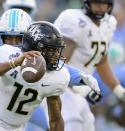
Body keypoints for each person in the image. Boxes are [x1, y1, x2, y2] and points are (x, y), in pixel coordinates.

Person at [0, 21, 100, 131]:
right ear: (35, 49)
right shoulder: (8, 53)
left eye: (57, 50)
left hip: (18, 128)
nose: (56, 55)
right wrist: (13, 63)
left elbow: (55, 120)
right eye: (51, 50)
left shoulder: (58, 77)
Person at [54, 0, 125, 130]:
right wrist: (82, 88)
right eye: (96, 2)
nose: (100, 7)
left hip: (78, 92)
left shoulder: (109, 24)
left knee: (88, 125)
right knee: (72, 124)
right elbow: (58, 66)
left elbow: (101, 62)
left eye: (104, 3)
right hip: (61, 89)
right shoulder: (75, 20)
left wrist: (118, 90)